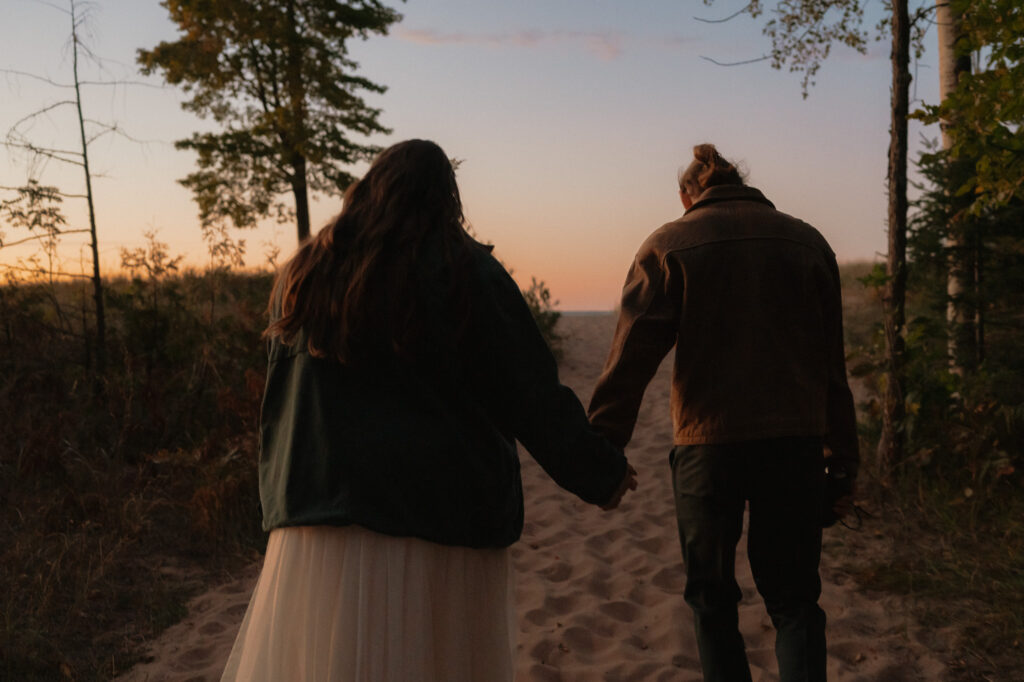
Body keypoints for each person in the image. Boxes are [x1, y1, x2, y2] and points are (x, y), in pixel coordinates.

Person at [221, 139, 637, 682]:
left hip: (314, 523)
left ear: (369, 190)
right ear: (448, 199)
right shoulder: (469, 274)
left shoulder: (305, 276)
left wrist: (279, 497)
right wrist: (601, 474)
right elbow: (531, 394)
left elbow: (277, 404)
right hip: (439, 518)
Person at [587, 144, 858, 682]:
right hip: (794, 443)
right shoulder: (806, 242)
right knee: (795, 600)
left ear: (687, 195)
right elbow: (832, 366)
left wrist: (601, 449)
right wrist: (843, 459)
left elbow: (630, 358)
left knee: (711, 598)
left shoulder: (670, 243)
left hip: (707, 447)